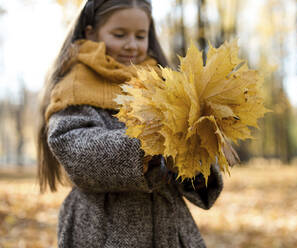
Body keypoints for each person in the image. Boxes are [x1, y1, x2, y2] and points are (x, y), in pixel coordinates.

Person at [36, 0, 223, 247]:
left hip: (167, 226)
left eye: (140, 35)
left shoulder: (163, 83)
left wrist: (194, 157)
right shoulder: (76, 84)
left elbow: (185, 164)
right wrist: (146, 146)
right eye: (119, 34)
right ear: (91, 32)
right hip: (102, 227)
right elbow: (74, 146)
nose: (132, 45)